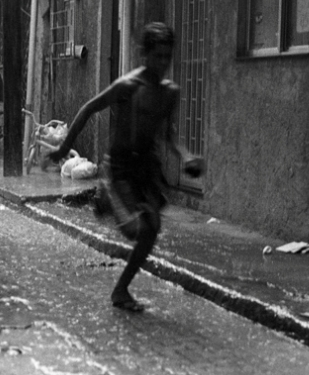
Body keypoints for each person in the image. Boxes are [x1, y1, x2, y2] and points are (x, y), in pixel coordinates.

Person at [48, 22, 204, 312]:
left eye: (167, 57)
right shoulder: (129, 86)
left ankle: (121, 289)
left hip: (147, 166)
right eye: (157, 56)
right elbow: (88, 109)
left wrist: (186, 156)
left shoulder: (170, 92)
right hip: (119, 167)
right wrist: (61, 147)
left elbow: (168, 135)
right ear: (144, 55)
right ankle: (107, 196)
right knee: (139, 229)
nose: (163, 63)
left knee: (151, 228)